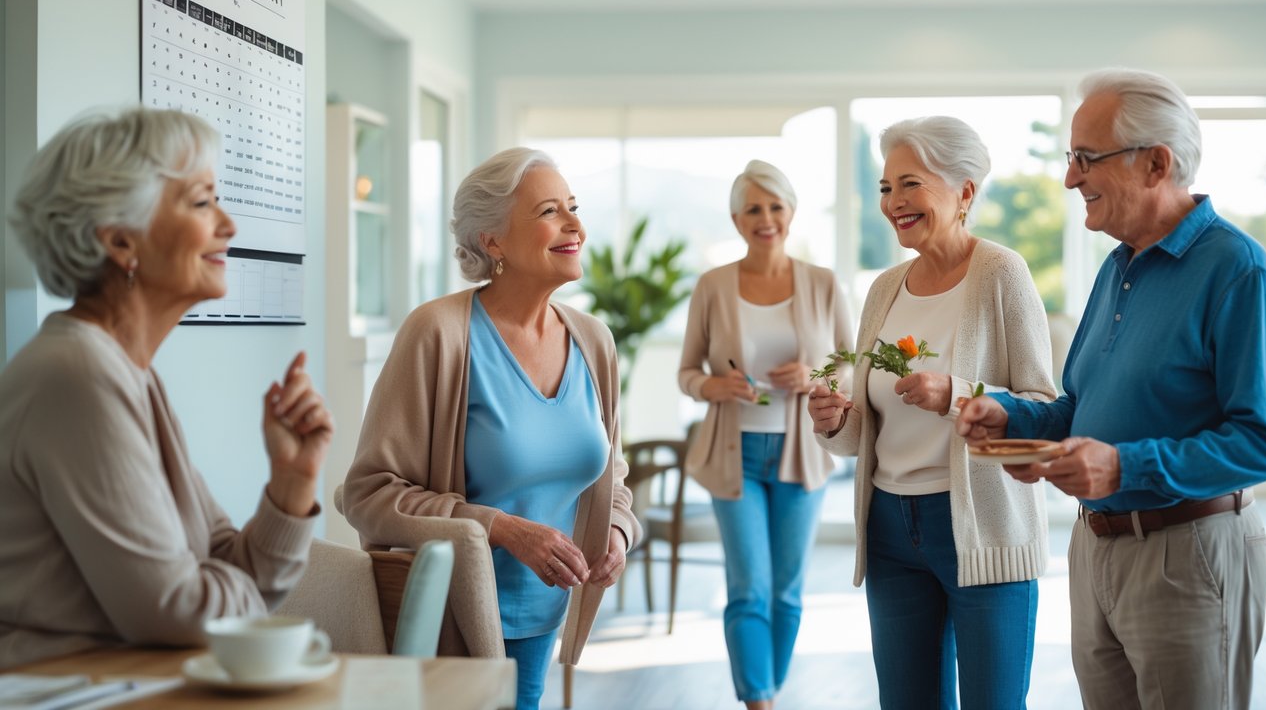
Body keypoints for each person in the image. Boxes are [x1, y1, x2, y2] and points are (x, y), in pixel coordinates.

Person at [956, 68, 1266, 710]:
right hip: (1097, 550)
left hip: (1188, 551)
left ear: (1156, 164)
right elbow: (1081, 410)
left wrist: (1124, 465)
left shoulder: (1235, 268)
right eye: (1069, 157)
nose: (1069, 178)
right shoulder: (1118, 266)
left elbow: (1264, 442)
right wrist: (1011, 418)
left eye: (1086, 158)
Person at [0, 108, 333, 669]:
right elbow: (177, 612)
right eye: (202, 202)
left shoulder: (126, 372)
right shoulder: (77, 377)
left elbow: (226, 566)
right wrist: (217, 592)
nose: (228, 225)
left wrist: (293, 481)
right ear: (121, 242)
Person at [340, 147, 641, 710]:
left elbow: (611, 476)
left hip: (544, 617)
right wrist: (499, 528)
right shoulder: (438, 334)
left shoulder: (593, 342)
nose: (574, 224)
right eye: (550, 211)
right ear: (493, 241)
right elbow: (368, 493)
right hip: (447, 618)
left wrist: (617, 532)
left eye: (573, 207)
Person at [808, 117, 1056, 709]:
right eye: (886, 187)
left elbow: (1045, 410)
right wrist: (836, 422)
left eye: (910, 184)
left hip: (982, 528)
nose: (893, 202)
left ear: (965, 192)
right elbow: (866, 429)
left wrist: (959, 395)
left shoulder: (1002, 273)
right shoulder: (884, 288)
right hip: (891, 530)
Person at [679, 159, 853, 710]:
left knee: (787, 592)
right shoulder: (713, 286)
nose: (765, 218)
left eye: (775, 206)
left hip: (804, 454)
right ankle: (760, 700)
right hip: (735, 457)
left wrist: (815, 375)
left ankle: (766, 688)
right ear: (736, 218)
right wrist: (716, 387)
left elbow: (852, 365)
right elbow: (687, 373)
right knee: (749, 587)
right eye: (753, 208)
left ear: (791, 213)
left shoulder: (823, 284)